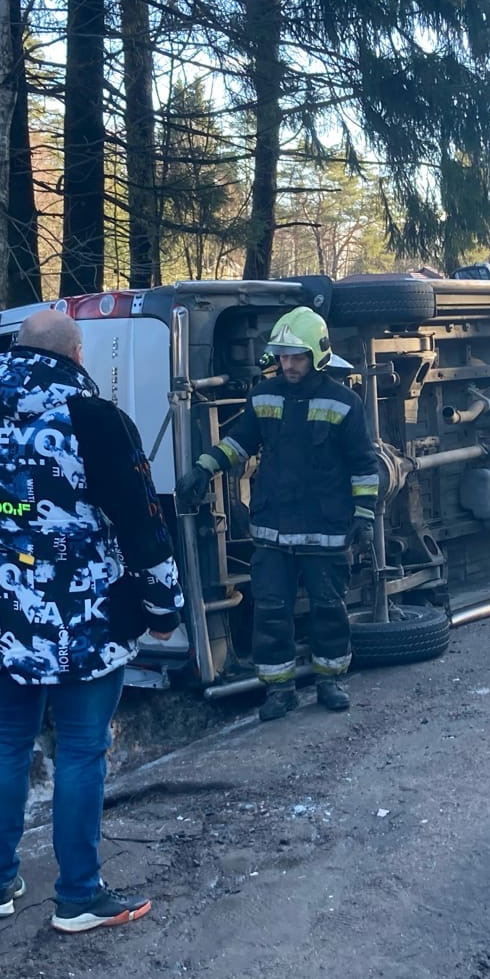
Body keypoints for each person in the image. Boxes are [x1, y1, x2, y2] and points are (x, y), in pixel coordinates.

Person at [0, 310, 182, 933]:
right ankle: (78, 895)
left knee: (8, 741)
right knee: (82, 750)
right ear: (76, 355)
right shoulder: (94, 419)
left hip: (2, 615)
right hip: (83, 617)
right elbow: (142, 521)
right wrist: (164, 607)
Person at [175, 307, 378, 722]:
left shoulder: (344, 403)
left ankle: (329, 681)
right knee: (270, 611)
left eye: (296, 357)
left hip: (325, 530)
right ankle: (279, 689)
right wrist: (204, 467)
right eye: (282, 356)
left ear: (318, 354)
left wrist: (365, 515)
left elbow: (363, 464)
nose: (287, 364)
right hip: (272, 530)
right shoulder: (263, 395)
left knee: (328, 609)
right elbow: (240, 442)